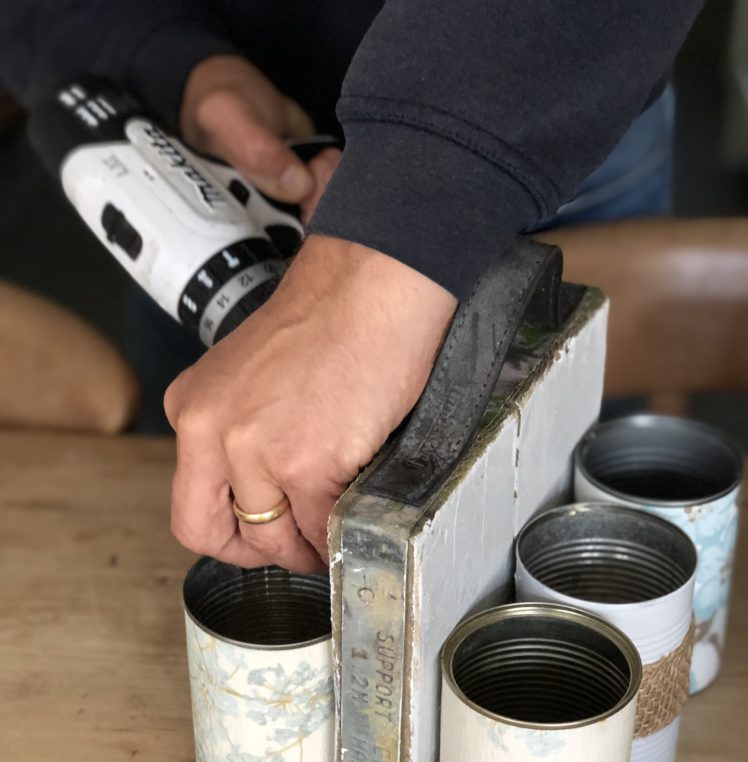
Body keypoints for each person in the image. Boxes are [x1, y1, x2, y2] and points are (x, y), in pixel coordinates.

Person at [1, 1, 702, 573]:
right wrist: (151, 51)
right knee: (225, 513)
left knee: (565, 551)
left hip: (539, 99)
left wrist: (397, 219)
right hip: (213, 137)